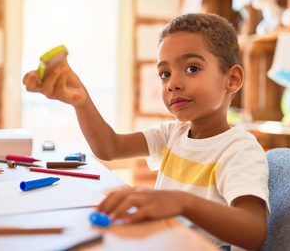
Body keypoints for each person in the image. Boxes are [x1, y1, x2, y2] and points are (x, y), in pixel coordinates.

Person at [23, 13, 269, 250]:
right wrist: (82, 102)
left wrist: (182, 203)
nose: (173, 83)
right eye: (165, 73)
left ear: (233, 79)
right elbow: (109, 148)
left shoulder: (239, 150)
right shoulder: (172, 134)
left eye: (192, 68)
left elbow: (254, 232)